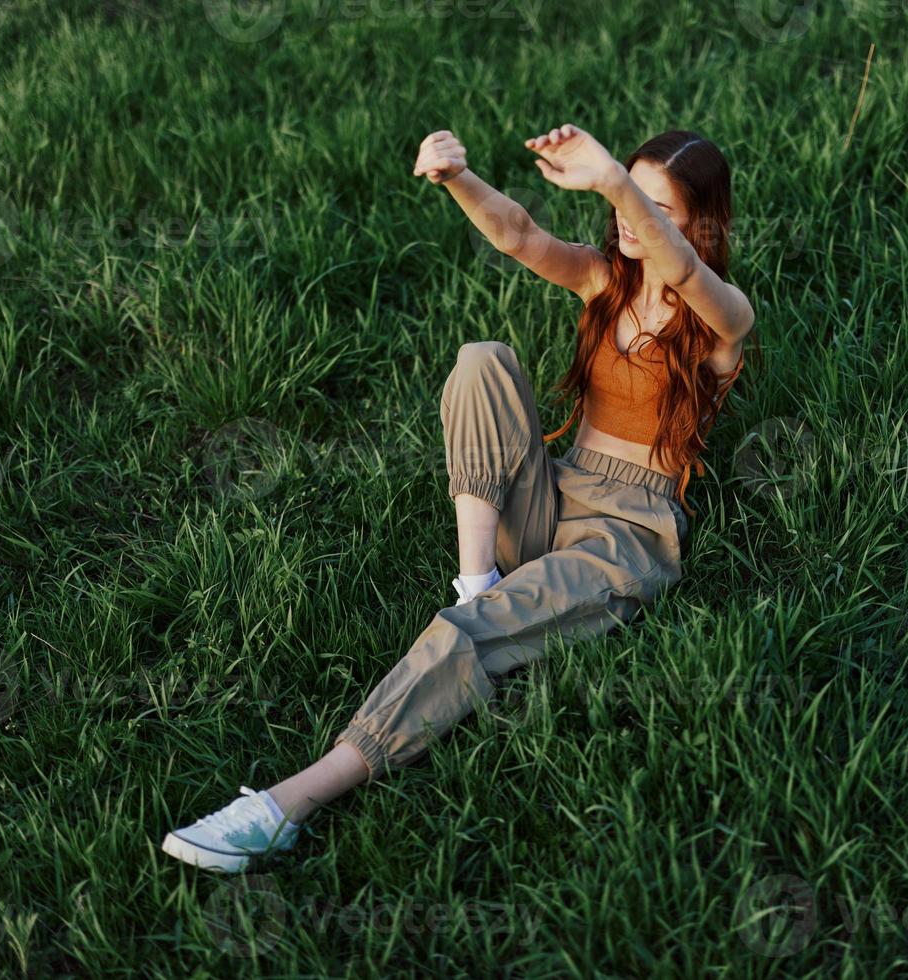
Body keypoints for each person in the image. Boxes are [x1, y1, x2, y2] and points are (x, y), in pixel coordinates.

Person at [161, 123, 756, 872]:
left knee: (469, 637)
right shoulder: (605, 284)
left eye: (653, 206)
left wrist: (612, 181)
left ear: (700, 223)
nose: (631, 220)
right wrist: (455, 179)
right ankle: (476, 580)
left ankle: (285, 805)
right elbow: (519, 233)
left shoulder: (721, 320)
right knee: (482, 362)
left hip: (625, 535)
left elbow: (684, 270)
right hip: (555, 493)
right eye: (627, 197)